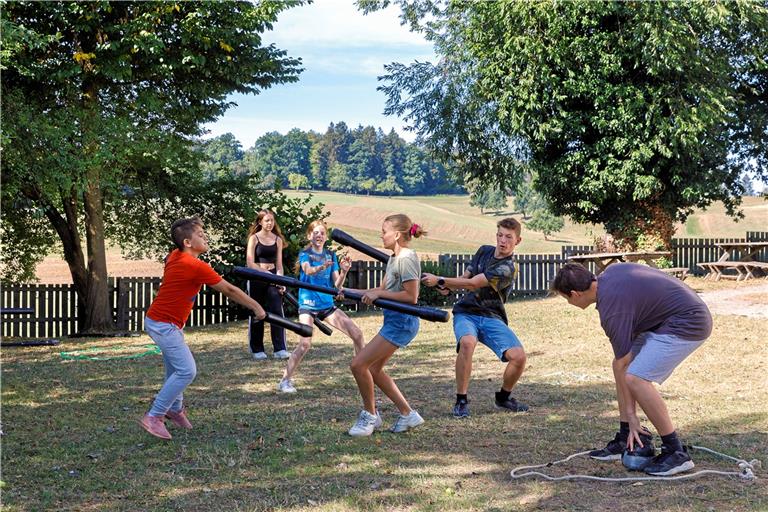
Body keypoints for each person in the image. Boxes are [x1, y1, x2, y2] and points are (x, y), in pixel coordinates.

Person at [551, 262, 712, 476]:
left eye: (566, 298)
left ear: (574, 294)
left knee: (636, 378)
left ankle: (676, 452)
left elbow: (625, 364)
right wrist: (630, 419)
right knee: (621, 367)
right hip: (668, 319)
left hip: (688, 322)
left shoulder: (611, 310)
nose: (568, 302)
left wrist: (632, 413)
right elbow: (620, 363)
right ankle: (629, 435)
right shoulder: (610, 274)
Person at [140, 216, 266, 440]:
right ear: (187, 243)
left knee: (175, 370)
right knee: (186, 371)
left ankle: (175, 409)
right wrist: (256, 307)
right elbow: (229, 290)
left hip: (164, 323)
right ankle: (154, 416)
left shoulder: (174, 255)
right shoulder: (193, 265)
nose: (205, 236)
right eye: (200, 234)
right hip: (163, 324)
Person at [421, 217, 529, 419]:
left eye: (508, 237)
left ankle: (503, 397)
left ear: (518, 241)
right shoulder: (483, 251)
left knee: (519, 357)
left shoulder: (508, 268)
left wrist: (441, 279)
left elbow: (473, 283)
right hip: (466, 312)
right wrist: (446, 288)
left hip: (491, 316)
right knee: (467, 342)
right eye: (500, 235)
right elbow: (464, 278)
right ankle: (461, 400)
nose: (502, 241)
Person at [348, 214, 426, 437]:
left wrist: (380, 293)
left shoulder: (407, 258)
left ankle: (370, 415)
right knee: (373, 369)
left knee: (358, 365)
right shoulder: (394, 258)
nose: (381, 235)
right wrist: (348, 294)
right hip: (393, 319)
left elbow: (411, 296)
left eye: (384, 231)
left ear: (397, 234)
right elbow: (381, 291)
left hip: (402, 322)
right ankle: (408, 414)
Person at [277, 220, 365, 393]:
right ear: (310, 236)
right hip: (308, 305)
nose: (319, 236)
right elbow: (308, 270)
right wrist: (321, 267)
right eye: (315, 233)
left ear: (325, 237)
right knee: (304, 345)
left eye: (322, 233)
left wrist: (344, 271)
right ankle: (285, 381)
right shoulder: (305, 254)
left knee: (357, 334)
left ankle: (363, 373)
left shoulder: (330, 255)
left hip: (326, 304)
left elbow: (337, 286)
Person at [245, 209, 289, 360]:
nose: (270, 223)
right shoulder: (254, 238)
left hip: (273, 280)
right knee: (257, 312)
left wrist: (280, 280)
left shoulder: (277, 239)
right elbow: (250, 263)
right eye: (266, 221)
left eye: (272, 220)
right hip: (256, 278)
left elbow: (279, 265)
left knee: (277, 310)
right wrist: (266, 274)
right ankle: (257, 349)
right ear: (260, 222)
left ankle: (280, 349)